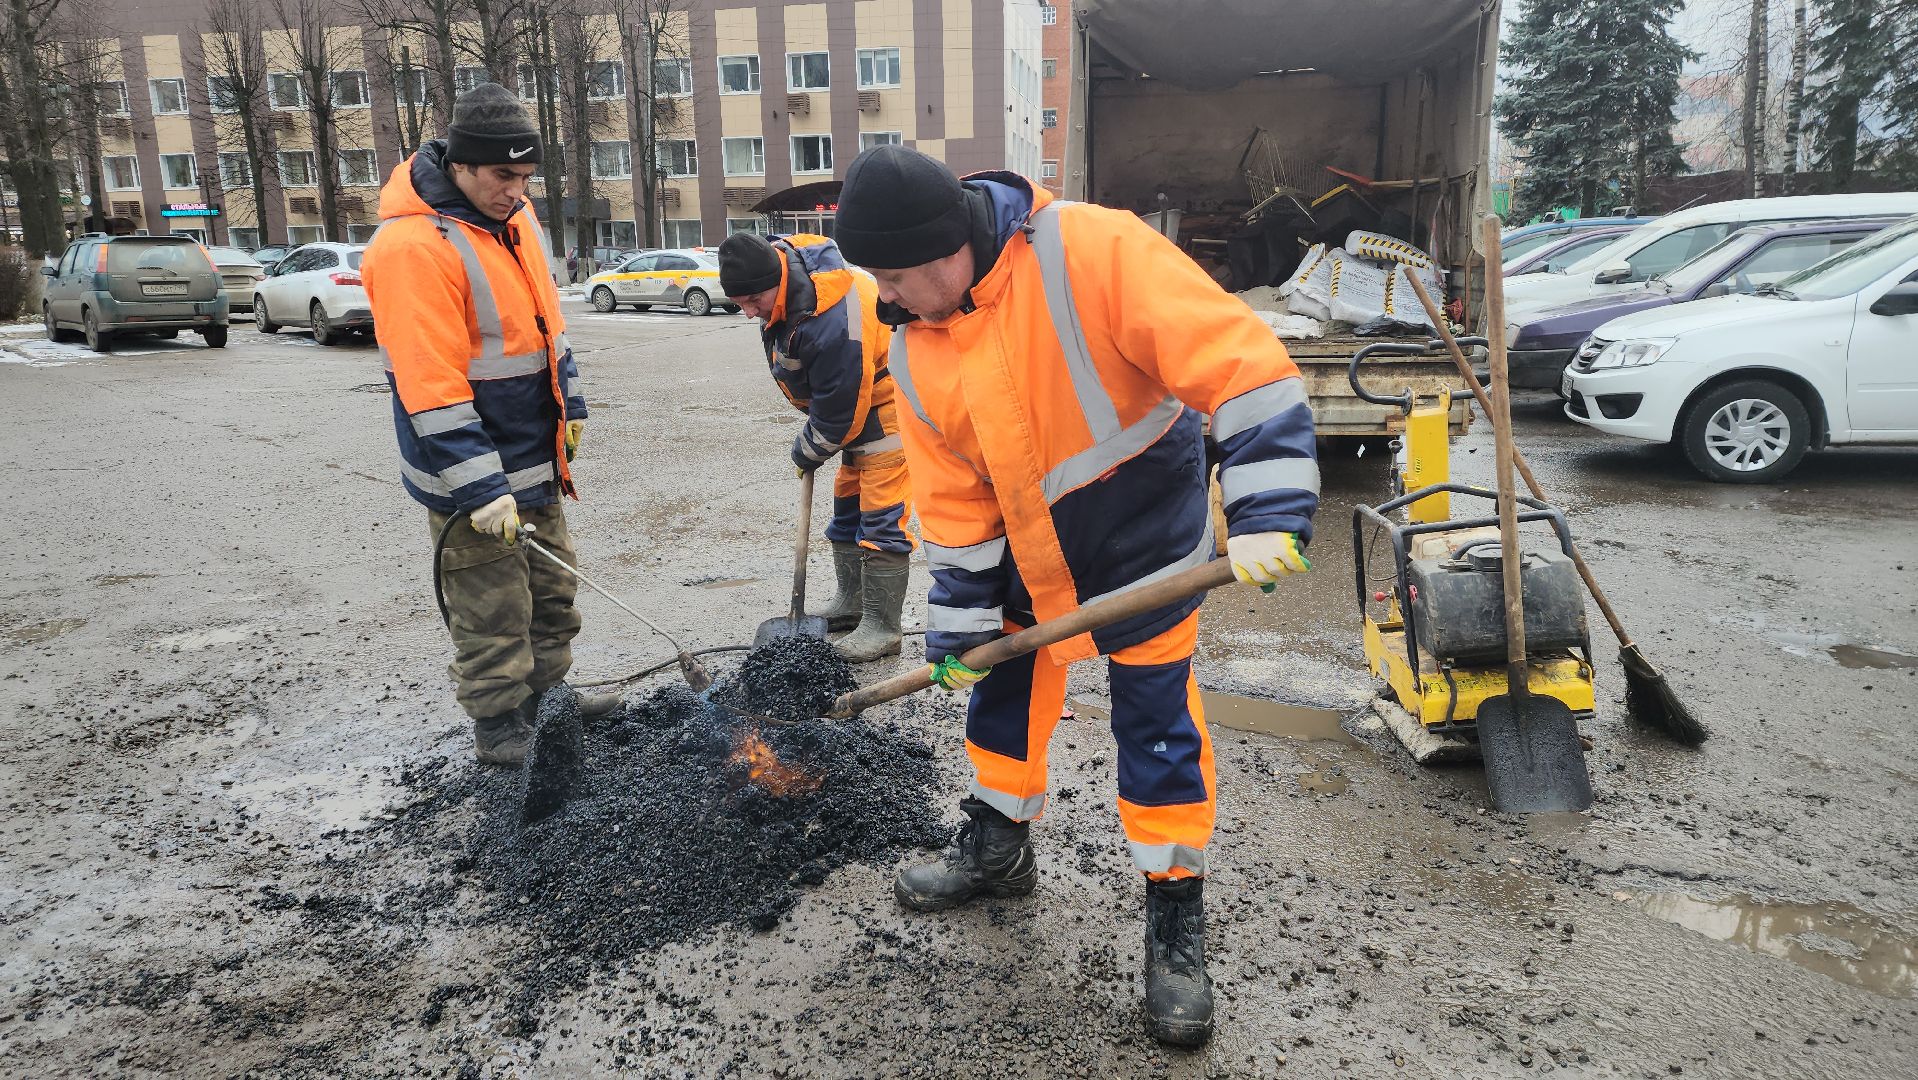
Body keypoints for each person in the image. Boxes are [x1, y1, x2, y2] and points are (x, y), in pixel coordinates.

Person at [833, 145, 1319, 1047]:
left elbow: (1242, 364)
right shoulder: (915, 339)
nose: (886, 298)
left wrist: (1268, 509)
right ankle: (998, 844)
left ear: (947, 249)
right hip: (1026, 567)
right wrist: (959, 630)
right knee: (1002, 704)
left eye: (895, 276)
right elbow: (954, 497)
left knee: (1157, 729)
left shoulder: (1094, 251)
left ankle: (1174, 914)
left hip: (1142, 549)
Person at [363, 82, 615, 767]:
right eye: (504, 175)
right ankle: (500, 724)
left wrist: (574, 403)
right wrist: (480, 489)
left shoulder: (516, 220)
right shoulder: (414, 247)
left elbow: (546, 328)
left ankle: (549, 698)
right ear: (463, 165)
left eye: (527, 176)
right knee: (492, 605)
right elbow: (430, 386)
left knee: (551, 591)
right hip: (470, 474)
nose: (517, 189)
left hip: (532, 458)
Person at [717, 231, 916, 662]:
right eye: (740, 303)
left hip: (886, 409)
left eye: (753, 300)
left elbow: (841, 409)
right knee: (846, 507)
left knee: (882, 516)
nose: (750, 312)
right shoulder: (786, 286)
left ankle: (883, 627)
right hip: (854, 410)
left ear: (777, 280)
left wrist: (809, 447)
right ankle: (853, 602)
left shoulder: (830, 317)